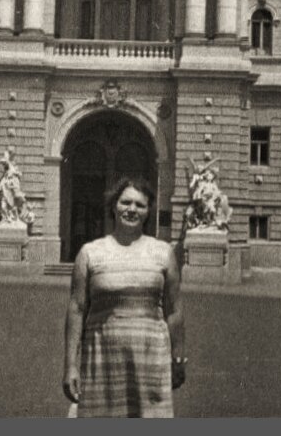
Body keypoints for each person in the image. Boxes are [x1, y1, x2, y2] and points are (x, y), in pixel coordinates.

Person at [63, 176, 184, 418]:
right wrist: (70, 365)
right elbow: (76, 309)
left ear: (148, 211)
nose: (132, 209)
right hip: (102, 362)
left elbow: (174, 310)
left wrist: (179, 357)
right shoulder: (90, 253)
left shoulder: (163, 253)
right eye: (125, 202)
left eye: (140, 205)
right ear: (113, 206)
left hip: (151, 361)